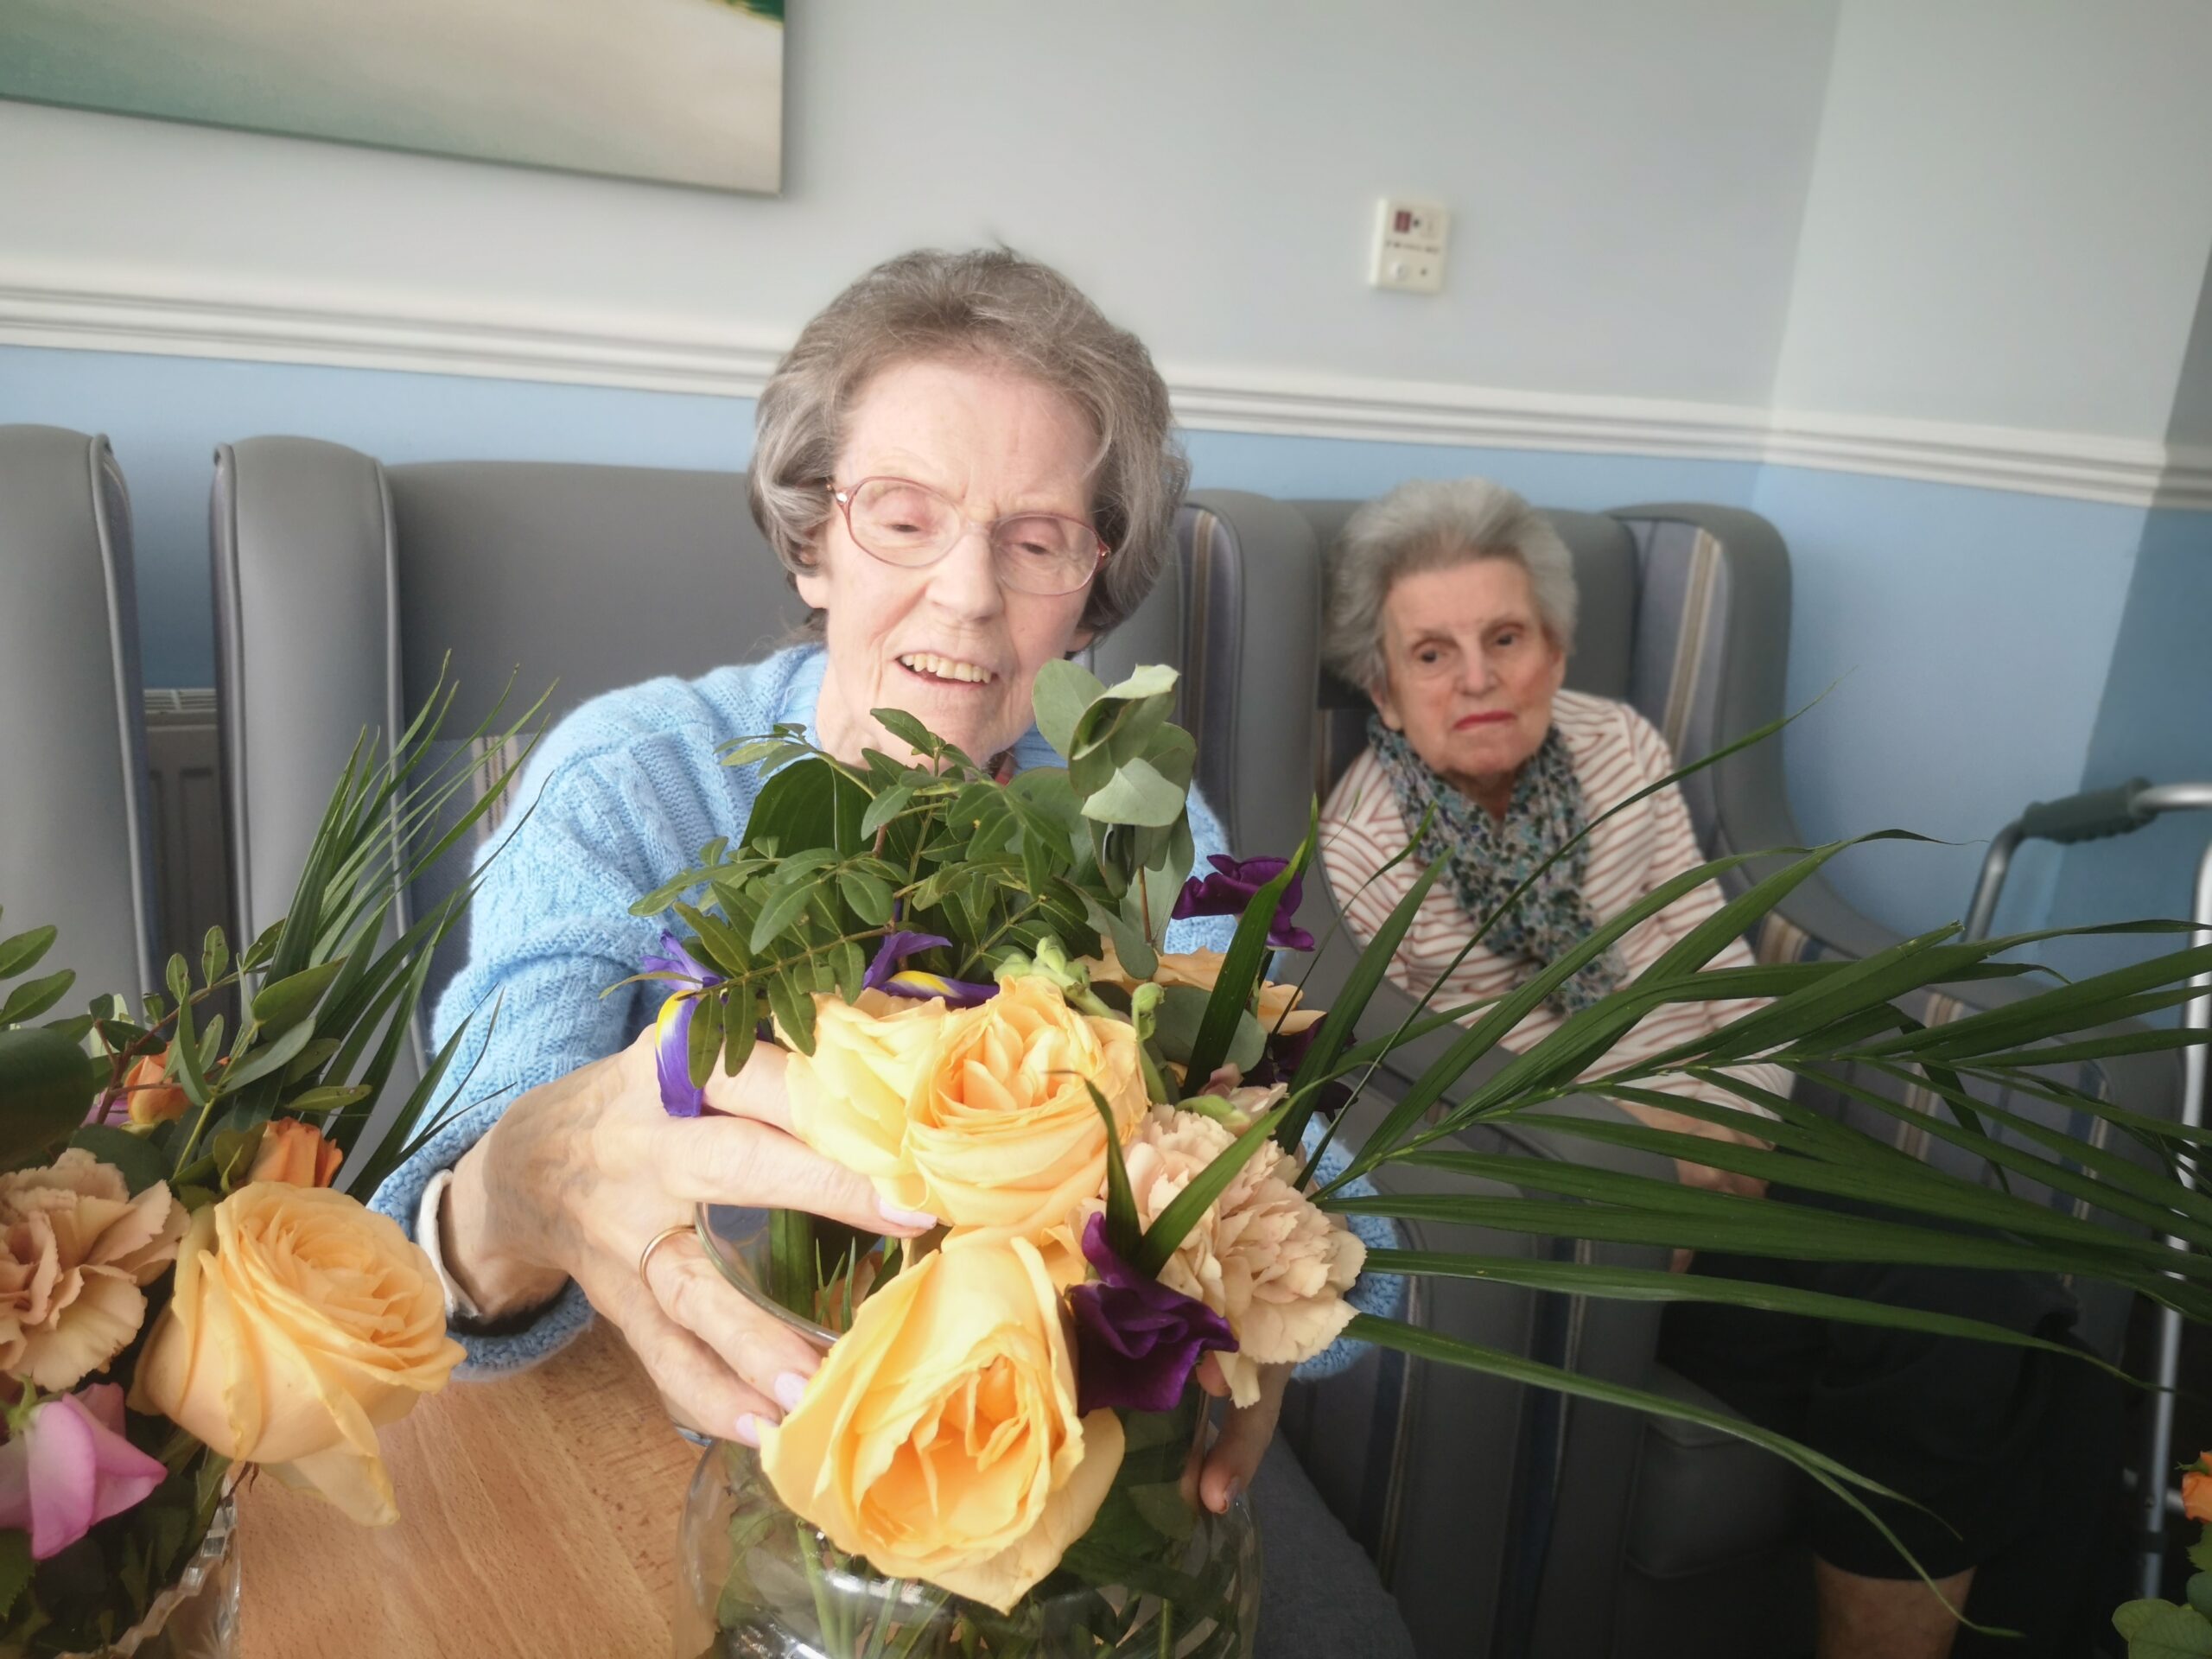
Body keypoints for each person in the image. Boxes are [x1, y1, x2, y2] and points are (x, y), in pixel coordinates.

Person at [369, 250, 1412, 1656]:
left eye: (1037, 540)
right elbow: (435, 1250)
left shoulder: (1133, 811)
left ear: (1093, 591)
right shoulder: (630, 780)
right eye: (903, 517)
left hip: (1056, 1496)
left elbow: (1352, 1246)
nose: (968, 593)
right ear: (813, 541)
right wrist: (529, 1180)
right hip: (702, 1479)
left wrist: (1253, 1277)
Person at [1318, 476, 2117, 1659]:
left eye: (1505, 638)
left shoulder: (1618, 749)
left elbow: (1718, 974)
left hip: (1741, 1138)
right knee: (1964, 1319)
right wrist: (1655, 1177)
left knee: (2044, 1352)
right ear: (1384, 690)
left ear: (1556, 649)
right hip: (1596, 1204)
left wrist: (1730, 1124)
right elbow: (1453, 1093)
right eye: (1431, 654)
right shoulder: (1364, 850)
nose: (1477, 679)